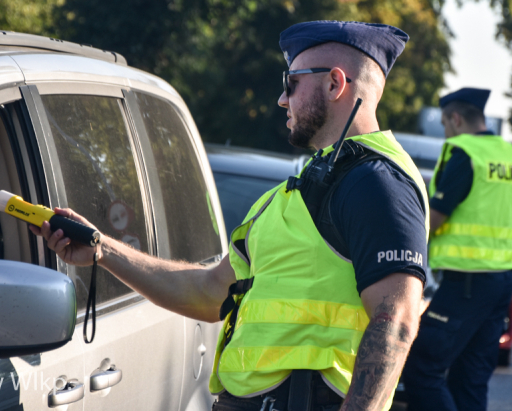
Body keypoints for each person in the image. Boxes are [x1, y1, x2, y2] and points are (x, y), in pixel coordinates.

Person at [31, 21, 430, 411]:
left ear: (334, 84)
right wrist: (102, 248)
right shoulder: (295, 193)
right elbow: (208, 291)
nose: (281, 99)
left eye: (291, 83)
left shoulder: (376, 182)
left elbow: (395, 321)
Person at [402, 87, 512, 411]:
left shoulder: (462, 152)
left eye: (446, 124)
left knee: (422, 367)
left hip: (466, 283)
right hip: (502, 281)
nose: (447, 132)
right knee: (471, 378)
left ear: (456, 119)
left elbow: (434, 218)